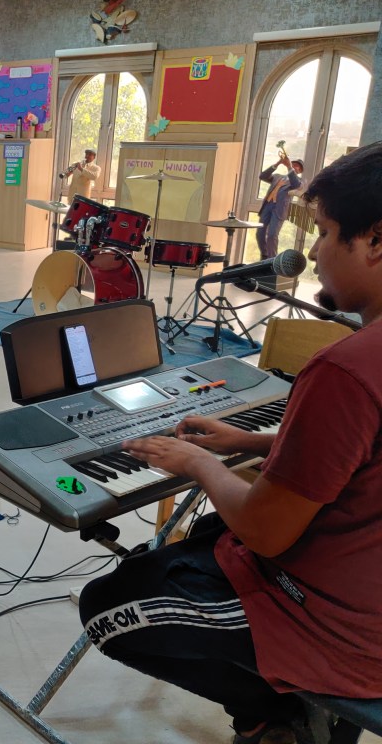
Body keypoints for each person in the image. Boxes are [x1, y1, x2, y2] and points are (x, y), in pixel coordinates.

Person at [78, 141, 382, 744]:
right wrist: (252, 439)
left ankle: (282, 714)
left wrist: (198, 462)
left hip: (342, 633)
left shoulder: (347, 370)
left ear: (376, 239)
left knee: (109, 607)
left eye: (324, 233)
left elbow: (266, 532)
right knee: (207, 535)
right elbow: (361, 457)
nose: (312, 253)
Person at [257, 154, 305, 260]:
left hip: (279, 210)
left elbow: (296, 185)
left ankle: (271, 260)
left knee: (272, 235)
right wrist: (278, 163)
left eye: (297, 166)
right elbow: (262, 176)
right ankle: (264, 255)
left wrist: (289, 167)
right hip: (267, 206)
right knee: (260, 233)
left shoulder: (299, 182)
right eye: (293, 164)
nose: (294, 166)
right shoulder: (278, 176)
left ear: (300, 171)